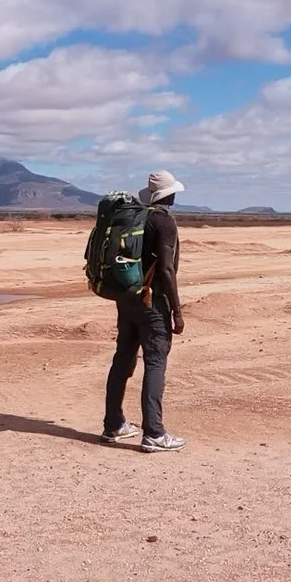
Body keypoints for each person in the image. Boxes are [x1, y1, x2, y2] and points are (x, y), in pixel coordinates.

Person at [104, 169, 186, 452]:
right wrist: (176, 310)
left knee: (123, 358)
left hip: (127, 300)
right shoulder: (163, 222)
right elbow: (165, 268)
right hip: (153, 302)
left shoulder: (135, 217)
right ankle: (154, 433)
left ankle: (113, 424)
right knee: (155, 363)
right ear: (169, 195)